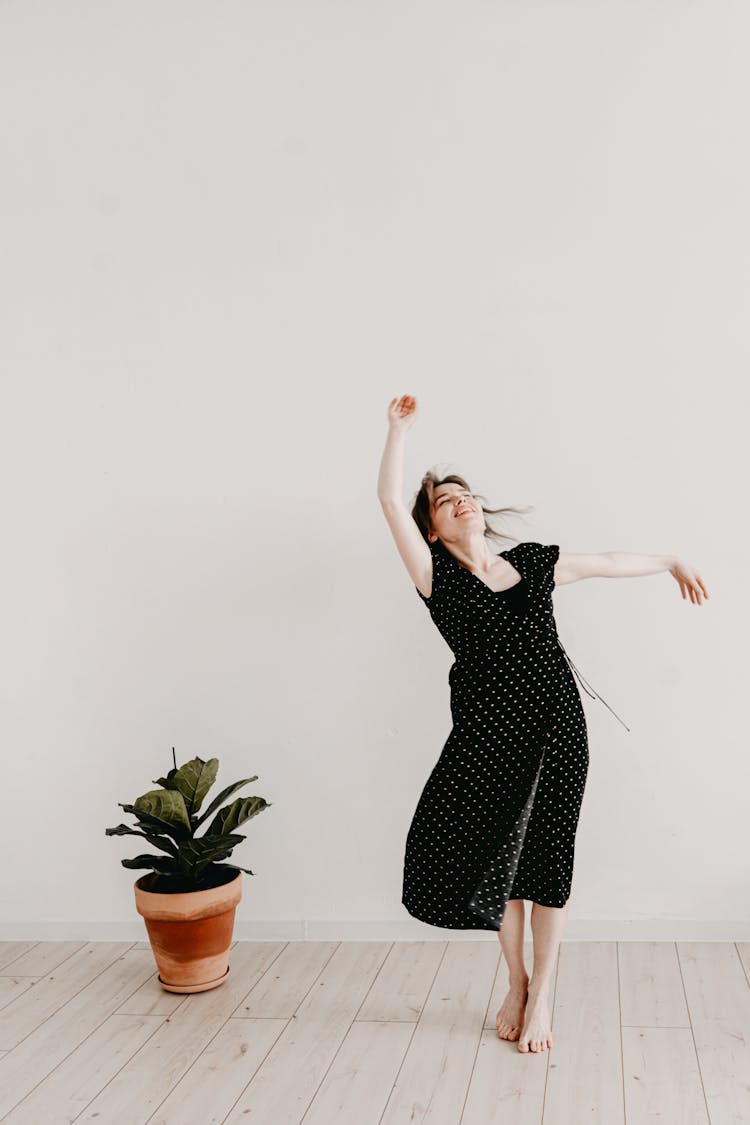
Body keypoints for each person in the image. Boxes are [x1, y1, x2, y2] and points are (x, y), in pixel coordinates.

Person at [377, 394, 708, 1054]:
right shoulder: (434, 576)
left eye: (465, 495)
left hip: (559, 729)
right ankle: (517, 981)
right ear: (435, 529)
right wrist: (397, 433)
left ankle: (545, 993)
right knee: (501, 864)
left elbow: (608, 561)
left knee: (548, 862)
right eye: (446, 503)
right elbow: (389, 501)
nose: (461, 503)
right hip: (487, 738)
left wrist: (669, 559)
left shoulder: (532, 562)